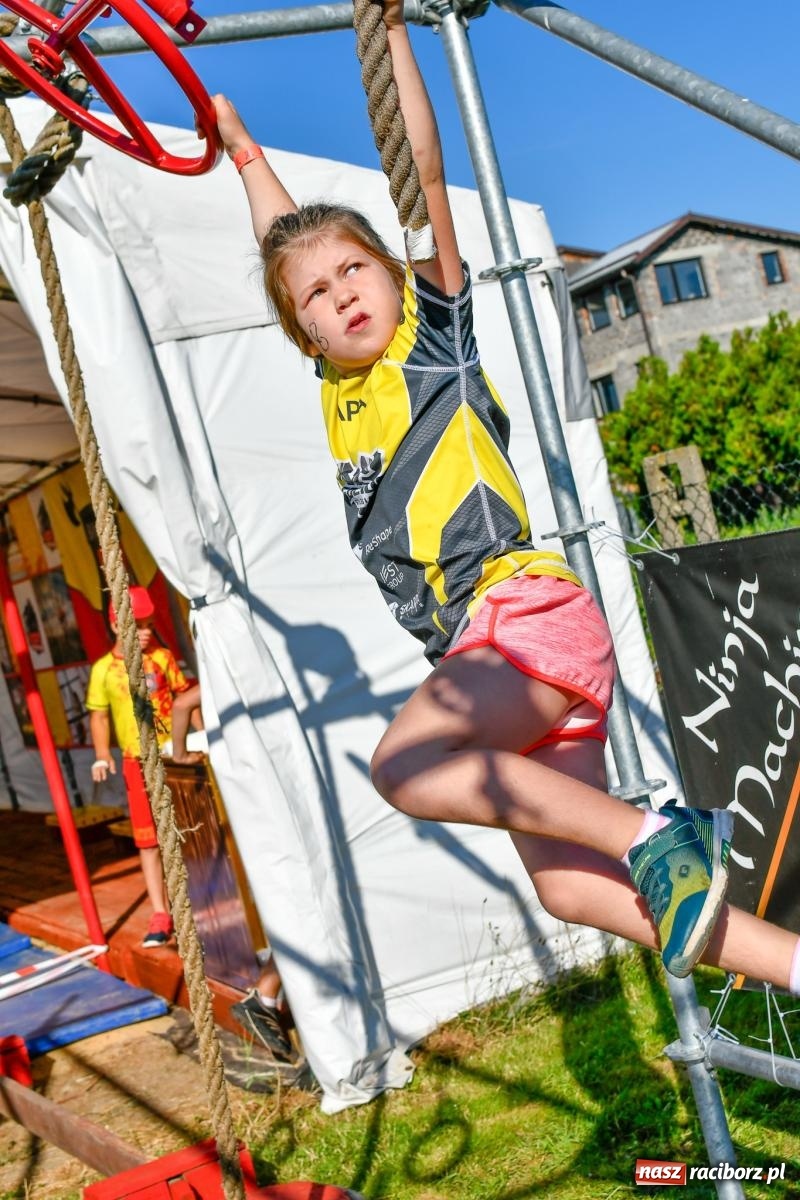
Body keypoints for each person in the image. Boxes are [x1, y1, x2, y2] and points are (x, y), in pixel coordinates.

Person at [208, 0, 800, 996]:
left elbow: (422, 176)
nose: (340, 291)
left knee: (406, 765)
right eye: (315, 295)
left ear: (399, 279)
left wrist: (388, 35)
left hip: (523, 617)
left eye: (358, 268)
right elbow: (287, 248)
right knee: (570, 890)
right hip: (484, 658)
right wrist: (242, 154)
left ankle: (656, 830)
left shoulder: (427, 345)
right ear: (300, 330)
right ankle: (787, 964)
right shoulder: (341, 390)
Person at [87, 585, 192, 948]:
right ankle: (161, 911)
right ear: (118, 626)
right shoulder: (104, 670)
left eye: (149, 623)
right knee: (148, 840)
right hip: (136, 761)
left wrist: (201, 741)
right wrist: (102, 755)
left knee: (188, 829)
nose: (146, 631)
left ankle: (200, 901)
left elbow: (185, 700)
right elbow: (98, 716)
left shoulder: (162, 658)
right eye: (138, 624)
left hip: (172, 757)